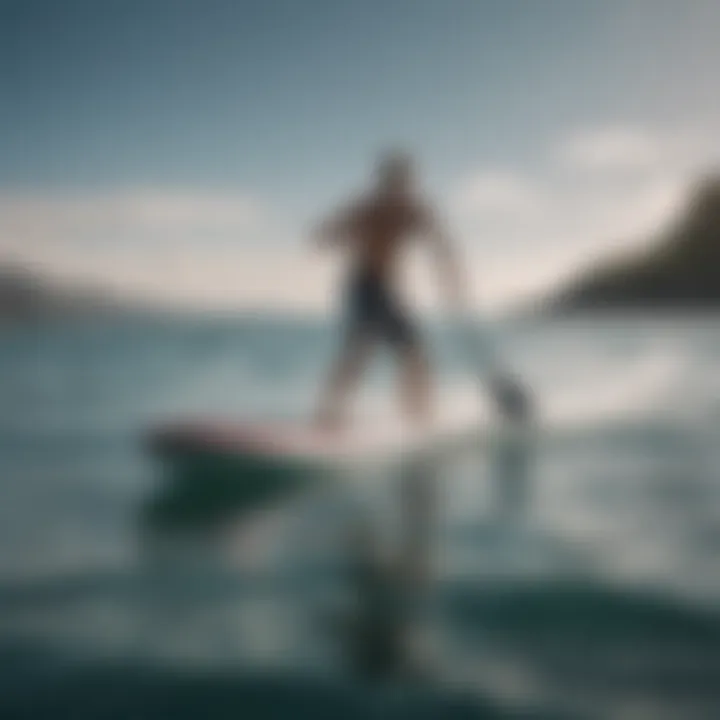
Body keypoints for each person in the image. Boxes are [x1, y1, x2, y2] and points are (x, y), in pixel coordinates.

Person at [313, 151, 463, 430]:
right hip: (365, 285)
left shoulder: (413, 211)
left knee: (413, 354)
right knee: (363, 350)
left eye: (401, 182)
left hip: (387, 290)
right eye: (391, 182)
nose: (396, 188)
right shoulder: (369, 209)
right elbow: (325, 234)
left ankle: (419, 418)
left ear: (407, 183)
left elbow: (440, 243)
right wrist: (340, 234)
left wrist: (450, 278)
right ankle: (328, 419)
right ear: (383, 183)